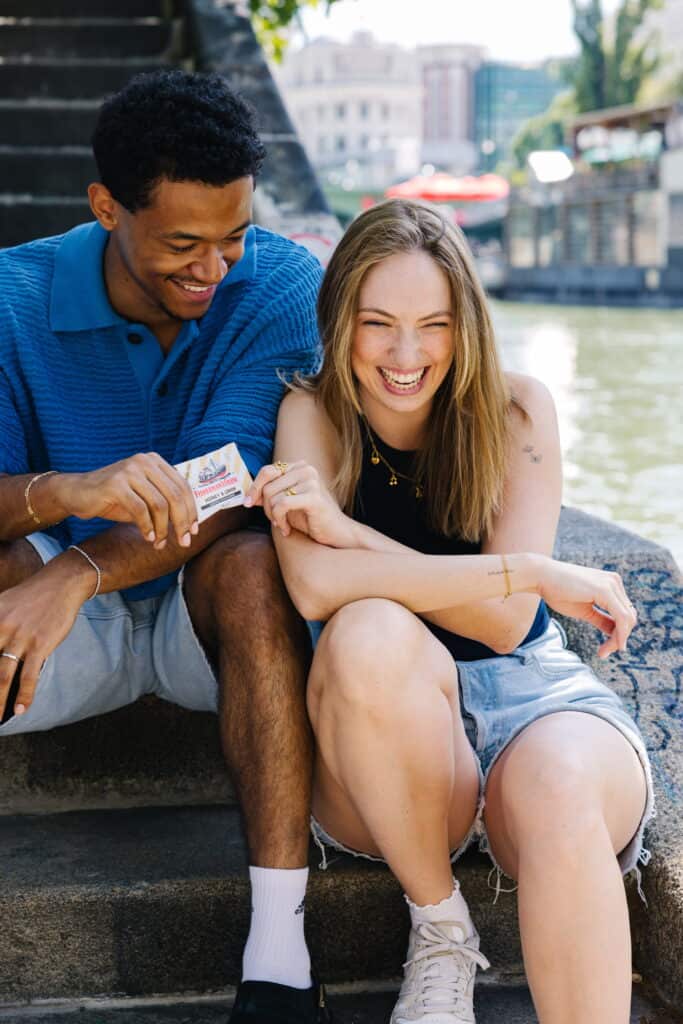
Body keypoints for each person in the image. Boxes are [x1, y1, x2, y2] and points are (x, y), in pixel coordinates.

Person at [247, 199, 655, 1024]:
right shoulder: (310, 415)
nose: (406, 355)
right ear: (340, 321)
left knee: (562, 785)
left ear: (464, 323)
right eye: (378, 324)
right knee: (364, 631)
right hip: (378, 733)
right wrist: (529, 571)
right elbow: (317, 591)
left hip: (532, 699)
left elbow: (506, 626)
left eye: (433, 324)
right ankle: (439, 929)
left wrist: (347, 532)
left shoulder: (514, 410)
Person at [0, 70, 333, 1024]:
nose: (212, 268)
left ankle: (278, 954)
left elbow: (231, 490)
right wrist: (61, 497)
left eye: (230, 235)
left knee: (254, 561)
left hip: (210, 626)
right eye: (183, 243)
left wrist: (81, 568)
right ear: (106, 207)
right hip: (52, 638)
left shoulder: (278, 284)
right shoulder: (11, 299)